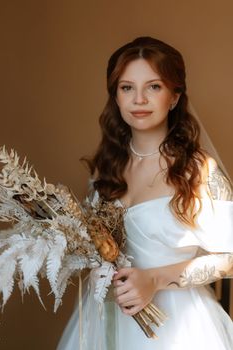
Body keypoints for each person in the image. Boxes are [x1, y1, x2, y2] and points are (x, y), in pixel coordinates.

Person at [57, 36, 233, 350]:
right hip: (104, 319)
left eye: (153, 87)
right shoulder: (105, 169)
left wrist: (154, 279)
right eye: (127, 88)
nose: (139, 99)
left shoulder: (198, 171)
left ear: (175, 97)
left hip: (178, 326)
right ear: (116, 97)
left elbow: (231, 257)